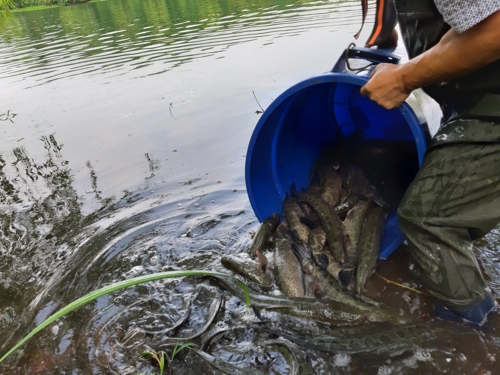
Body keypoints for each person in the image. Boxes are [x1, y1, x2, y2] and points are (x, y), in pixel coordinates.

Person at [360, 0, 500, 325]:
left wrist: (402, 79)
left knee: (429, 218)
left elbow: (493, 29)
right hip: (476, 101)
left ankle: (474, 335)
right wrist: (384, 38)